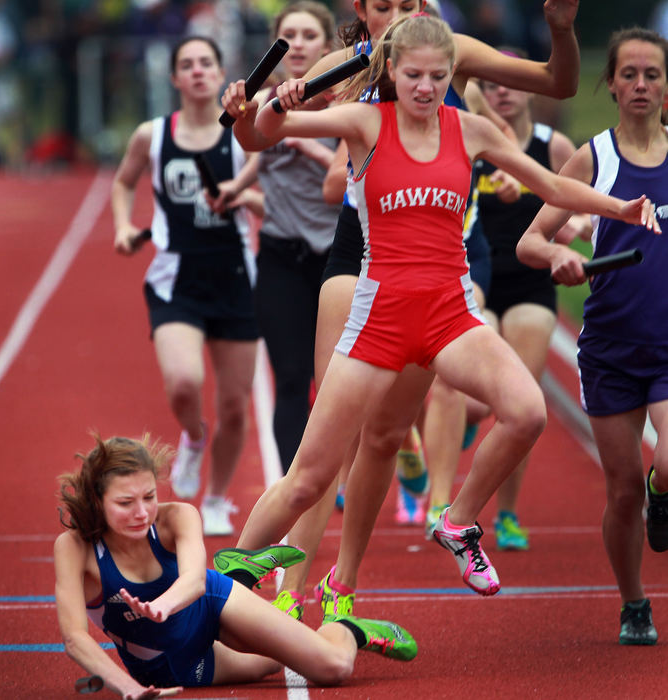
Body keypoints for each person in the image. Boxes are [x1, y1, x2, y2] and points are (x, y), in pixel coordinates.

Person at [222, 14, 658, 610]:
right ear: (392, 74)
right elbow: (258, 136)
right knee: (309, 479)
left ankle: (456, 521)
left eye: (436, 76)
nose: (425, 88)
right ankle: (229, 585)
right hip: (377, 320)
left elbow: (551, 187)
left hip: (450, 313)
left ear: (452, 74)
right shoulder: (363, 121)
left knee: (527, 412)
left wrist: (621, 208)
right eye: (413, 76)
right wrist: (264, 105)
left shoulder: (472, 129)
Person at [53, 434, 418, 699]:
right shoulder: (75, 549)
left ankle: (346, 628)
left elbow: (194, 580)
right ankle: (241, 573)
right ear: (97, 501)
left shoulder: (177, 517)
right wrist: (128, 688)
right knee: (272, 665)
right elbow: (74, 637)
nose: (141, 512)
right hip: (166, 667)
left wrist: (162, 606)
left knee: (334, 667)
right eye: (125, 502)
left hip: (211, 603)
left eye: (149, 496)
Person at [516, 27, 667, 645]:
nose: (639, 85)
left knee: (665, 470)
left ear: (666, 84)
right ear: (610, 83)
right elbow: (532, 239)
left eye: (651, 74)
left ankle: (666, 493)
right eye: (628, 74)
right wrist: (559, 259)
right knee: (622, 488)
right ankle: (634, 602)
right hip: (609, 346)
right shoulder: (594, 158)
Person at [423, 63, 591, 547]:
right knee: (468, 397)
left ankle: (508, 513)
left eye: (512, 87)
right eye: (492, 86)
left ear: (529, 95)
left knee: (523, 399)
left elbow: (572, 202)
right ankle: (442, 491)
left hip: (530, 284)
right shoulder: (468, 133)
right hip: (476, 272)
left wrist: (564, 218)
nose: (502, 94)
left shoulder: (551, 145)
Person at [112, 36, 260, 536]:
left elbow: (266, 188)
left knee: (237, 407)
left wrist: (242, 196)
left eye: (206, 63)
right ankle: (193, 437)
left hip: (236, 277)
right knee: (184, 381)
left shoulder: (244, 135)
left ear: (221, 74)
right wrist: (122, 226)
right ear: (174, 78)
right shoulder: (152, 135)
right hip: (176, 279)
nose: (197, 71)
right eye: (187, 65)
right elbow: (123, 181)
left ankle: (216, 498)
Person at [235, 1, 342, 476]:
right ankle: (291, 492)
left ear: (327, 44)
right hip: (281, 256)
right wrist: (241, 118)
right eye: (289, 36)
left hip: (340, 261)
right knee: (292, 380)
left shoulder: (349, 102)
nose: (298, 45)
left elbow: (354, 184)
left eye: (308, 36)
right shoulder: (264, 103)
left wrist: (308, 148)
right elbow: (251, 147)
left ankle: (343, 470)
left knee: (340, 383)